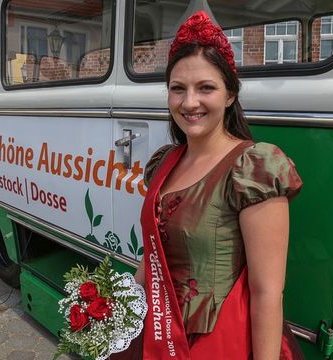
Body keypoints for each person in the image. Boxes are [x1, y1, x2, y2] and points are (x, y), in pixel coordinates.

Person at [129, 10, 305, 360]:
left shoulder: (252, 169)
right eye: (177, 89)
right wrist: (117, 304)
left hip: (219, 342)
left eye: (205, 87)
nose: (189, 102)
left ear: (229, 95)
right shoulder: (165, 162)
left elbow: (267, 291)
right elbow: (153, 256)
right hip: (158, 332)